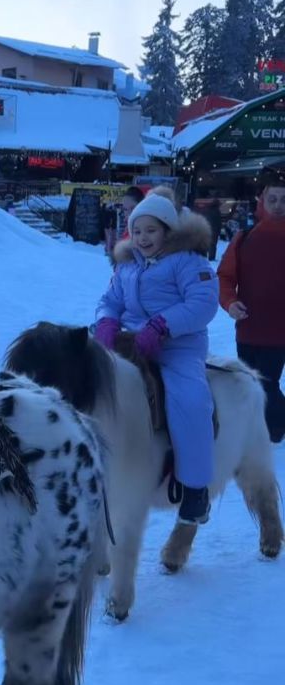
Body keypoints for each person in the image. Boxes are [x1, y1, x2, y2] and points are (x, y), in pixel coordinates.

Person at [95, 190, 218, 524]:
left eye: (151, 230)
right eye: (137, 231)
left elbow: (203, 303)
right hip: (131, 342)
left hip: (178, 348)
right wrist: (106, 321)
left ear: (167, 230)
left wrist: (164, 325)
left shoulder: (190, 261)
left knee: (189, 400)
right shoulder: (127, 266)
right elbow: (111, 299)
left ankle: (195, 490)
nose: (142, 238)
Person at [217, 168, 285, 443]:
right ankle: (263, 422)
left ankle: (275, 424)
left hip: (278, 330)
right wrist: (230, 302)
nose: (279, 205)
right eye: (273, 199)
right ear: (262, 200)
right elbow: (225, 277)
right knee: (249, 380)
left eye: (284, 199)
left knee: (266, 381)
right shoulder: (244, 238)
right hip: (247, 327)